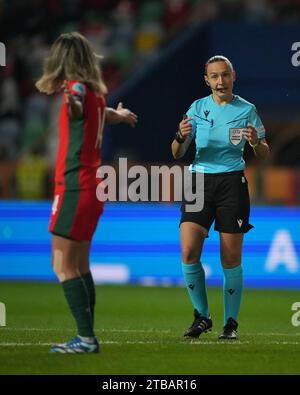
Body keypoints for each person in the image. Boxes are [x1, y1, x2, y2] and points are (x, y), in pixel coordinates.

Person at [36, 32, 137, 353]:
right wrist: (119, 116)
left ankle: (85, 338)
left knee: (62, 264)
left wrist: (73, 100)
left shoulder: (77, 90)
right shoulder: (97, 95)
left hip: (74, 186)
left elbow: (77, 105)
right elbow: (98, 112)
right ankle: (87, 337)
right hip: (92, 187)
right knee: (79, 266)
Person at [171, 55, 269, 340]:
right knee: (189, 251)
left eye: (225, 75)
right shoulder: (197, 108)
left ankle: (230, 323)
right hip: (199, 182)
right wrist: (179, 134)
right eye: (214, 76)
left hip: (231, 184)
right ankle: (202, 317)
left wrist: (255, 142)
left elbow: (263, 151)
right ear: (207, 80)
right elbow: (176, 152)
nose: (220, 81)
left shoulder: (247, 109)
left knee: (230, 258)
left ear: (233, 76)